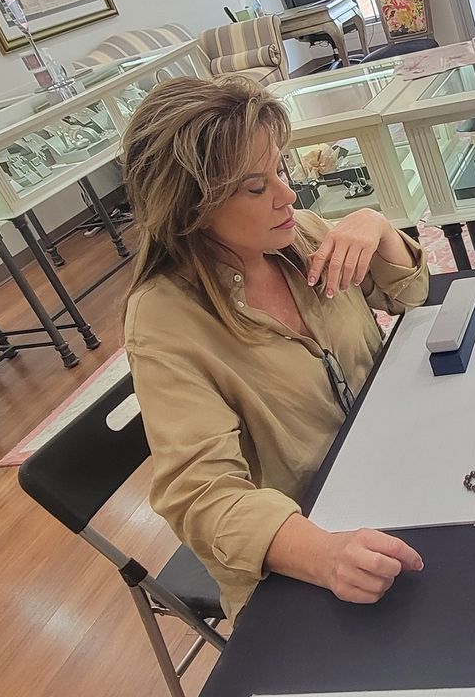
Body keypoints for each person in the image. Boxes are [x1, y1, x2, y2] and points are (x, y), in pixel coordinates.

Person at [123, 76, 430, 619]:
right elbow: (201, 496)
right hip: (311, 545)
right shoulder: (164, 321)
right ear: (191, 207)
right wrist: (322, 554)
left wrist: (378, 227)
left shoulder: (301, 235)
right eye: (255, 187)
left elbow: (409, 296)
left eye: (281, 170)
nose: (288, 196)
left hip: (394, 469)